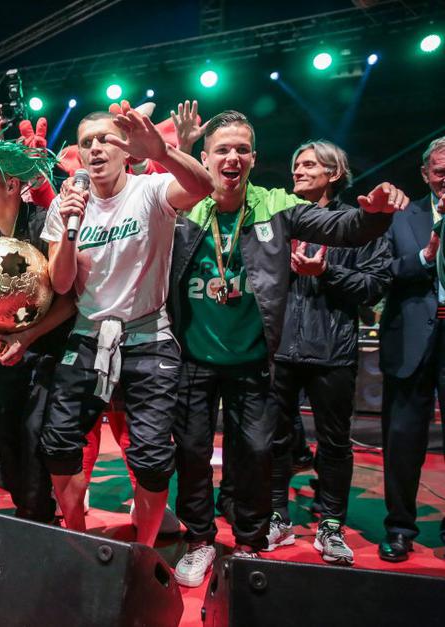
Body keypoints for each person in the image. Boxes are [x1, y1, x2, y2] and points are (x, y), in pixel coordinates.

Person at [168, 110, 407, 587]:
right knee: (192, 454)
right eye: (222, 149)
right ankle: (199, 540)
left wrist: (375, 214)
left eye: (242, 149)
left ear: (254, 158)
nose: (232, 157)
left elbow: (344, 228)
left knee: (257, 454)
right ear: (205, 158)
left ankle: (249, 541)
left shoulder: (277, 205)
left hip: (254, 359)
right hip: (193, 358)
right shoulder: (183, 205)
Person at [39, 101, 214, 541]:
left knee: (152, 459)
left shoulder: (150, 190)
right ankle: (77, 538)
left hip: (148, 337)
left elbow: (203, 186)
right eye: (87, 143)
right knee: (59, 444)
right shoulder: (65, 206)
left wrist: (164, 152)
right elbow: (61, 283)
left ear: (125, 149)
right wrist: (69, 224)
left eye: (105, 139)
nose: (96, 149)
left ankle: (144, 550)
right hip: (87, 336)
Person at [267, 140, 391, 565]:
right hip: (280, 349)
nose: (298, 171)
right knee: (275, 438)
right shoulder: (280, 219)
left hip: (333, 351)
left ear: (334, 173)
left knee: (335, 443)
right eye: (296, 164)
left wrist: (327, 272)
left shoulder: (360, 225)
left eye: (308, 165)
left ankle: (332, 526)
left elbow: (373, 287)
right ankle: (277, 516)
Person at [0, 132, 76, 523]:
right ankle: (28, 517)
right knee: (5, 441)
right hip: (6, 360)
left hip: (47, 356)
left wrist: (26, 337)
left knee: (34, 440)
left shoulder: (42, 226)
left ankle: (38, 521)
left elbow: (70, 300)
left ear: (12, 186)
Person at [378, 136, 445, 562]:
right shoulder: (403, 216)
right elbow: (382, 270)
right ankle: (400, 528)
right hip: (411, 340)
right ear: (425, 174)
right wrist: (424, 256)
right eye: (441, 171)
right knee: (402, 441)